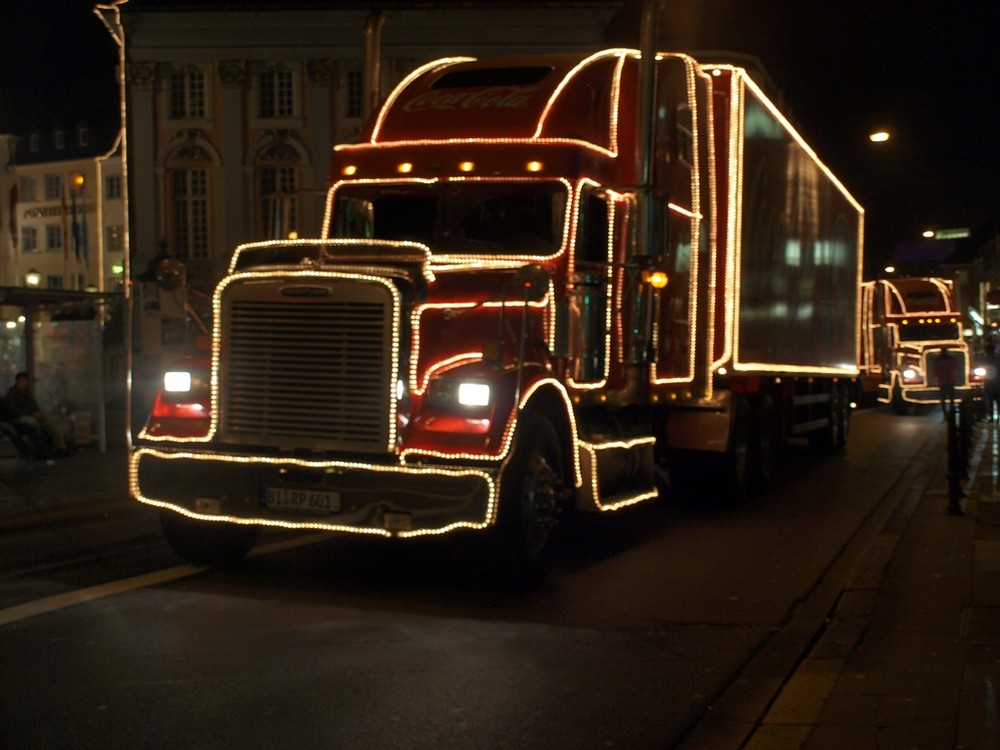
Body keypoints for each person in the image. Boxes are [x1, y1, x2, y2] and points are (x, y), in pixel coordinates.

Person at [4, 371, 65, 460]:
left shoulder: (28, 392)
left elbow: (34, 405)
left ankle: (61, 448)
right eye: (22, 380)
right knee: (33, 424)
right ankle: (41, 450)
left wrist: (38, 412)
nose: (24, 383)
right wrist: (32, 413)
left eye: (26, 381)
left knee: (53, 421)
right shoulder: (11, 394)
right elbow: (15, 411)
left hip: (33, 415)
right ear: (17, 382)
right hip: (19, 418)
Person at [932, 347, 960, 415]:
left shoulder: (938, 360)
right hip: (950, 379)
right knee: (951, 396)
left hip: (942, 380)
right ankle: (952, 409)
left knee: (943, 397)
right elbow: (956, 366)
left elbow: (934, 370)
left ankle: (945, 411)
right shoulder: (951, 359)